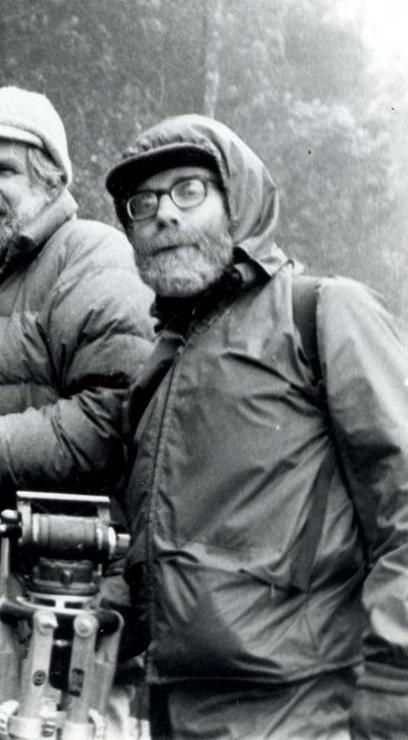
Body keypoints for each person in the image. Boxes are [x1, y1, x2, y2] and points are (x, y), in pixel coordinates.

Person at [104, 113, 408, 739]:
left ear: (239, 202)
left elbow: (402, 502)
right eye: (143, 203)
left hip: (303, 709)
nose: (165, 214)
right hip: (173, 708)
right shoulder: (155, 371)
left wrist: (395, 678)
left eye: (190, 190)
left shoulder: (320, 311)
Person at [0, 86, 155, 738]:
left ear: (51, 182)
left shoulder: (92, 256)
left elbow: (114, 415)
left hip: (73, 640)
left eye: (3, 169)